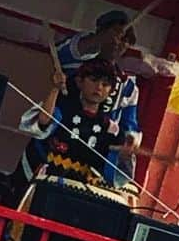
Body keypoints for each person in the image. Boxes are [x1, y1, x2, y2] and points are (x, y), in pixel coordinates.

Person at [17, 58, 132, 191]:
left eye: (105, 84)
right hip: (44, 180)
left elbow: (112, 172)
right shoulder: (64, 110)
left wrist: (124, 154)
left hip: (78, 189)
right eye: (93, 80)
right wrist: (55, 89)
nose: (99, 87)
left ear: (111, 91)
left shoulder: (110, 128)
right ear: (79, 82)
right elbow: (42, 122)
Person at [56, 10, 141, 182]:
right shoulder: (77, 63)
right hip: (58, 145)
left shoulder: (128, 85)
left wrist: (130, 140)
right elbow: (63, 53)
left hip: (91, 161)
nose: (119, 43)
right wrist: (101, 38)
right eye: (115, 35)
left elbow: (129, 125)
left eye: (125, 40)